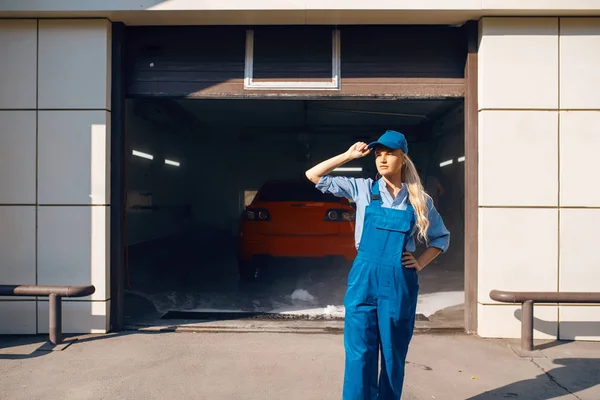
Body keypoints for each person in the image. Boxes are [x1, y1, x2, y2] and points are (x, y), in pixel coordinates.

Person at [305, 130, 450, 400]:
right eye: (378, 154)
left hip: (398, 282)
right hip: (364, 278)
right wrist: (348, 156)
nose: (382, 159)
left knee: (394, 354)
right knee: (359, 353)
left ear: (403, 158)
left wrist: (420, 261)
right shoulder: (362, 189)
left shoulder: (419, 200)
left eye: (390, 153)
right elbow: (314, 175)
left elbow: (441, 237)